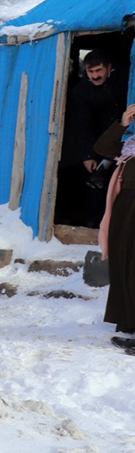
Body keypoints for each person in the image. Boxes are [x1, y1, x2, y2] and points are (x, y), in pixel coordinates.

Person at [58, 49, 127, 227]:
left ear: (109, 68)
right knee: (92, 183)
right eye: (91, 71)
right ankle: (91, 223)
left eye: (99, 71)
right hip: (94, 143)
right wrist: (88, 155)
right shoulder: (81, 91)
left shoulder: (122, 83)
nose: (95, 76)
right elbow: (81, 124)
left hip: (121, 141)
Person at [95, 103, 135, 354]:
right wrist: (123, 124)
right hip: (126, 208)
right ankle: (130, 322)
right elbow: (102, 148)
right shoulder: (130, 145)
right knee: (125, 265)